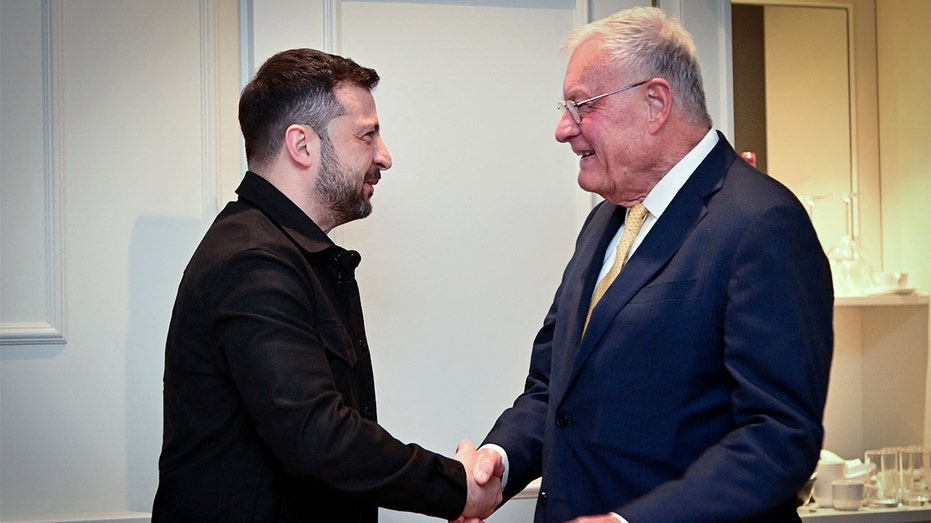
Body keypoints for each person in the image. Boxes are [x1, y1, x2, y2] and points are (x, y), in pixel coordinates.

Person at [469, 7, 834, 523]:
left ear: (656, 102)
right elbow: (556, 388)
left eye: (581, 105)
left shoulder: (761, 222)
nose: (562, 129)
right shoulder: (603, 222)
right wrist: (497, 463)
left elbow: (778, 437)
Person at [152, 48, 500, 522]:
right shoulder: (255, 260)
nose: (385, 156)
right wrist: (456, 487)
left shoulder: (283, 251)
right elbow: (318, 436)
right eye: (367, 135)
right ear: (302, 145)